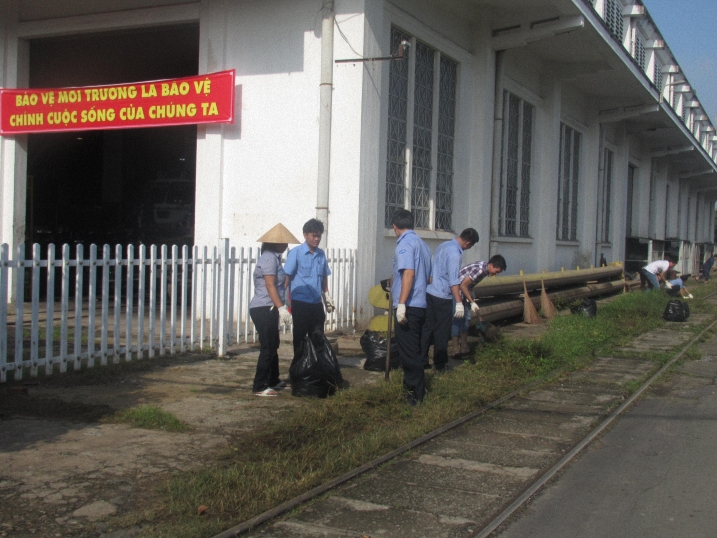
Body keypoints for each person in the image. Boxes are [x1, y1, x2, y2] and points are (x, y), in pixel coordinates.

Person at [249, 223, 300, 396]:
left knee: (273, 344)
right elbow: (270, 285)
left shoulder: (274, 258)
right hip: (264, 307)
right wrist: (281, 308)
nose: (286, 245)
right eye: (283, 242)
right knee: (268, 347)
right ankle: (260, 385)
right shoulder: (269, 258)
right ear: (275, 243)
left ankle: (273, 379)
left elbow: (280, 285)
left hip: (269, 307)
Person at [420, 228, 479, 371]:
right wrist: (459, 302)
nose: (468, 248)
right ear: (468, 243)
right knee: (442, 332)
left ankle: (422, 361)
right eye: (470, 246)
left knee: (427, 328)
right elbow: (454, 281)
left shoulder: (444, 245)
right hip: (443, 296)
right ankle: (440, 364)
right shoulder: (455, 255)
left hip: (430, 291)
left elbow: (432, 267)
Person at [391, 209, 431, 405]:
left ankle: (415, 395)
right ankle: (412, 388)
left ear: (395, 227)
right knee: (415, 348)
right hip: (421, 304)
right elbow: (428, 277)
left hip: (409, 305)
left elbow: (409, 273)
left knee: (409, 352)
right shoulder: (423, 245)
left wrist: (401, 304)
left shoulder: (405, 244)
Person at [284, 218, 335, 369]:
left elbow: (324, 277)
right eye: (314, 235)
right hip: (300, 303)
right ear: (305, 235)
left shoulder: (321, 255)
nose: (317, 239)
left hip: (316, 303)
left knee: (318, 336)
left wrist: (326, 296)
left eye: (319, 235)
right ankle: (299, 367)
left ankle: (316, 368)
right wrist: (281, 303)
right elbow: (286, 278)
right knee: (300, 337)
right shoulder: (296, 253)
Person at [451, 254, 507, 358]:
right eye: (496, 271)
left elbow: (469, 284)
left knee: (467, 319)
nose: (496, 274)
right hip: (456, 292)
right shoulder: (480, 270)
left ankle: (464, 347)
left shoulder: (485, 269)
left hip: (463, 292)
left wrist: (471, 294)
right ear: (491, 265)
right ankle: (455, 350)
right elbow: (463, 286)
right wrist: (472, 302)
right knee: (458, 319)